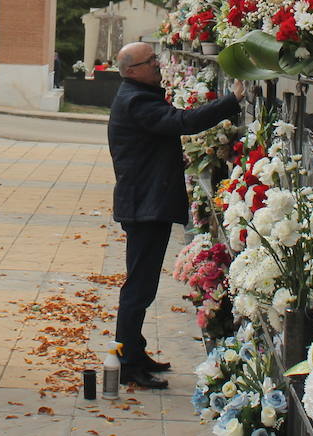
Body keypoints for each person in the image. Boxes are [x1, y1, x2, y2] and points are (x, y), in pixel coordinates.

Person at [108, 41, 243, 389]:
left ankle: (134, 352)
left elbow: (152, 140)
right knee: (138, 287)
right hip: (143, 207)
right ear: (132, 70)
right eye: (150, 61)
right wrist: (233, 100)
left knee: (142, 285)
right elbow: (182, 121)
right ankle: (127, 363)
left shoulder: (138, 94)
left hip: (146, 202)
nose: (158, 64)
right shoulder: (136, 99)